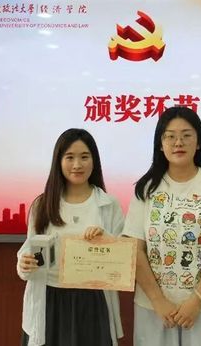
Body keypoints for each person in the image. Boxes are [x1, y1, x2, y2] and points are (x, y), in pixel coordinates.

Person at [122, 106, 201, 346]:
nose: (178, 142)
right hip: (155, 307)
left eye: (187, 135)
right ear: (160, 144)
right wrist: (158, 300)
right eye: (170, 136)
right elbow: (134, 249)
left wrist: (196, 300)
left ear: (198, 142)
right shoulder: (146, 188)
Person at [17, 128, 124, 346]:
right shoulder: (42, 205)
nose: (77, 165)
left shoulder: (108, 204)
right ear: (59, 161)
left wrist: (105, 240)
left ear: (94, 161)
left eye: (84, 157)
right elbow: (28, 252)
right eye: (69, 157)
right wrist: (24, 264)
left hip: (93, 301)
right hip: (49, 299)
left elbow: (123, 260)